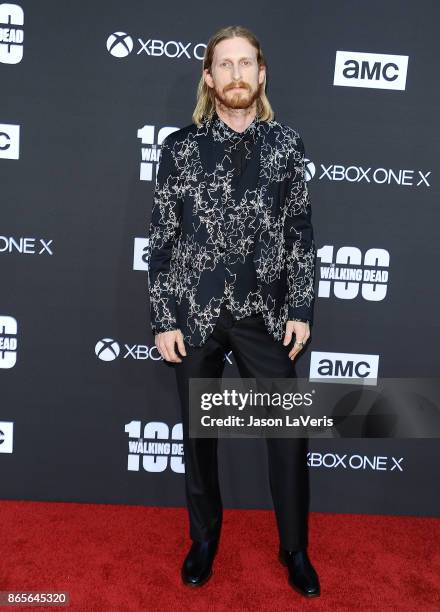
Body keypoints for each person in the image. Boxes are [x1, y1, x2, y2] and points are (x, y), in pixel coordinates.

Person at [147, 25, 320, 598]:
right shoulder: (179, 148)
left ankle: (294, 548)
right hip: (194, 314)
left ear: (262, 73)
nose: (237, 74)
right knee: (198, 438)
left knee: (289, 436)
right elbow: (163, 240)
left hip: (264, 317)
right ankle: (203, 540)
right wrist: (163, 316)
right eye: (225, 65)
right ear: (209, 77)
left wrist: (300, 306)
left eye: (247, 63)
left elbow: (300, 233)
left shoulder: (287, 146)